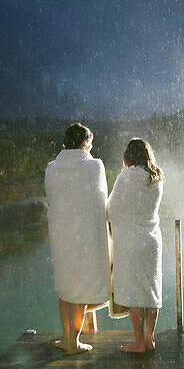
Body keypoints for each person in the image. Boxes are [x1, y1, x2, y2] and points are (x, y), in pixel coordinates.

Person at [44, 123, 109, 354]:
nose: (91, 149)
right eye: (90, 144)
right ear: (84, 144)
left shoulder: (51, 167)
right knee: (80, 290)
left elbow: (52, 197)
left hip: (62, 236)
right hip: (84, 236)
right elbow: (100, 202)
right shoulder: (95, 166)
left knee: (65, 288)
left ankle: (67, 338)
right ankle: (75, 343)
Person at [108, 138, 164, 353]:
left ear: (128, 155)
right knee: (151, 291)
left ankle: (138, 342)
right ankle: (150, 338)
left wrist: (118, 223)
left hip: (131, 243)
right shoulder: (157, 178)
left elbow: (112, 209)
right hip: (152, 241)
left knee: (135, 292)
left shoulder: (126, 177)